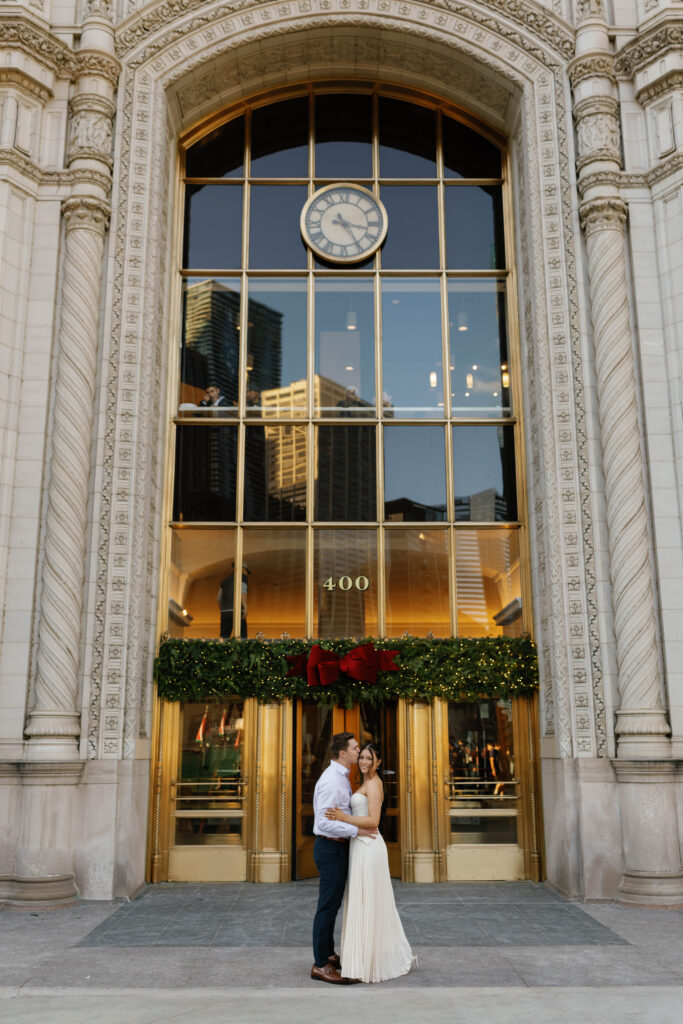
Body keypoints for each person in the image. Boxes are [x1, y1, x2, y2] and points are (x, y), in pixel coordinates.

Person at [325, 742, 415, 983]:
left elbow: (373, 821)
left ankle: (368, 962)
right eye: (362, 757)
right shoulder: (364, 782)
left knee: (367, 899)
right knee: (360, 899)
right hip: (359, 846)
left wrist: (344, 817)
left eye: (369, 758)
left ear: (379, 762)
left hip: (369, 847)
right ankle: (360, 957)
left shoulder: (375, 784)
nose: (364, 762)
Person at [311, 732, 378, 985]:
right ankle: (320, 965)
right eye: (354, 748)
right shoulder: (332, 780)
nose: (358, 751)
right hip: (329, 848)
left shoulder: (341, 777)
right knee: (327, 906)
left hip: (337, 848)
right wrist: (357, 830)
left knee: (333, 904)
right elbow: (324, 823)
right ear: (342, 753)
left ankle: (327, 954)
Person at [217, 564, 249, 638]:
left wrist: (223, 610)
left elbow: (219, 598)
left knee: (224, 636)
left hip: (225, 612)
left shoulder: (224, 581)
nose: (247, 574)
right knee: (242, 636)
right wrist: (245, 607)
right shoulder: (242, 578)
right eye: (246, 571)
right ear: (243, 569)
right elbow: (243, 592)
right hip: (238, 610)